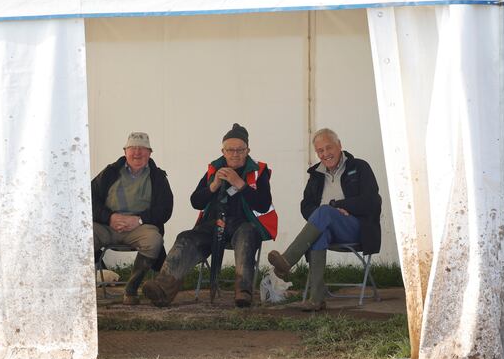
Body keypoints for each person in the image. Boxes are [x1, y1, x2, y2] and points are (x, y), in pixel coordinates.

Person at [142, 123, 277, 308]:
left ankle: (243, 291)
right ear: (223, 151)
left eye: (240, 150)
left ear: (248, 150)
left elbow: (263, 204)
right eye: (230, 150)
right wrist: (213, 186)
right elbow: (195, 201)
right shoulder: (214, 169)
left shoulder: (259, 171)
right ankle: (162, 289)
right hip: (214, 224)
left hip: (244, 224)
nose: (235, 154)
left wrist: (240, 184)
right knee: (186, 237)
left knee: (247, 234)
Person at [267, 128, 382, 311]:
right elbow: (305, 206)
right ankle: (316, 299)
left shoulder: (359, 167)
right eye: (320, 151)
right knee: (320, 230)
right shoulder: (315, 175)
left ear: (340, 146)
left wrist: (338, 207)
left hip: (357, 227)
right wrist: (328, 212)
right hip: (328, 228)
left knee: (325, 211)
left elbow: (373, 201)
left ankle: (288, 260)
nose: (326, 154)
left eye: (329, 148)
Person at [91, 132, 174, 305]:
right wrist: (110, 217)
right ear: (125, 151)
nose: (137, 152)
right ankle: (78, 287)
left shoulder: (157, 177)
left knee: (153, 239)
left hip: (139, 227)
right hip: (107, 226)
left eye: (142, 149)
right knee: (81, 236)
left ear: (150, 152)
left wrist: (139, 220)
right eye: (132, 148)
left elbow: (165, 209)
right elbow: (88, 198)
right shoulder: (109, 173)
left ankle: (131, 288)